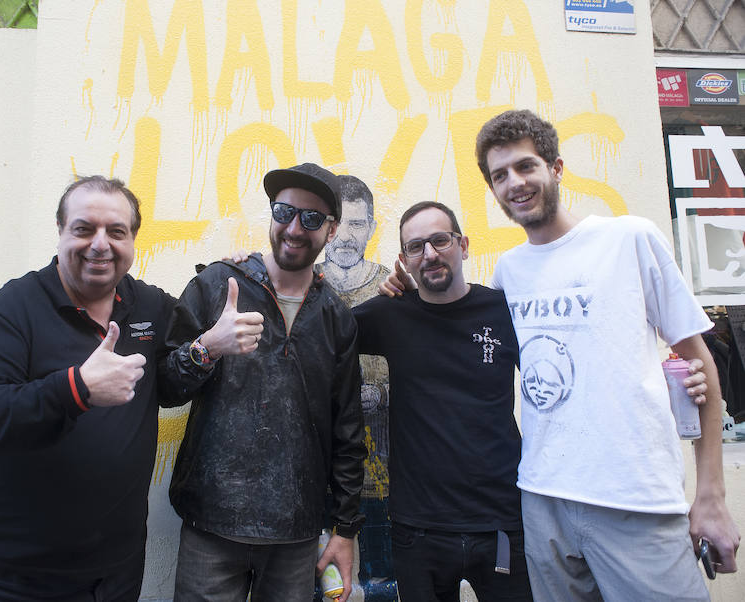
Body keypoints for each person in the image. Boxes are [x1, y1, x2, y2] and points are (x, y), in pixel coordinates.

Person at [473, 109, 740, 600]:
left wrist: (711, 495)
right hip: (543, 500)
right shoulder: (508, 272)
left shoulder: (629, 239)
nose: (515, 182)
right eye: (500, 175)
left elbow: (699, 362)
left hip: (635, 501)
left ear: (555, 168)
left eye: (526, 166)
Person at [0, 176, 177, 601]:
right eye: (84, 229)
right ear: (61, 232)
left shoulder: (149, 306)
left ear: (132, 240)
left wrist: (239, 271)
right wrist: (75, 388)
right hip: (4, 575)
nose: (100, 244)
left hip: (110, 575)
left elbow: (189, 354)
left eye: (116, 231)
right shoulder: (14, 308)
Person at [160, 163, 366, 601]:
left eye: (311, 218)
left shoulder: (336, 317)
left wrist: (345, 529)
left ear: (330, 231)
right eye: (284, 211)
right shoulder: (218, 283)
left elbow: (348, 430)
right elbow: (165, 387)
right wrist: (206, 349)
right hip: (210, 524)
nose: (294, 227)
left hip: (296, 535)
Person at [354, 201, 533, 601]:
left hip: (502, 523)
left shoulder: (503, 311)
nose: (430, 253)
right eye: (416, 247)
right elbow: (321, 332)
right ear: (404, 260)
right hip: (417, 529)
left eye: (439, 240)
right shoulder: (389, 315)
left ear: (463, 245)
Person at [318, 175, 395, 596]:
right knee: (322, 586)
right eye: (338, 224)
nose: (346, 237)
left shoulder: (395, 289)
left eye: (358, 225)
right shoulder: (301, 286)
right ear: (326, 226)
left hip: (381, 470)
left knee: (382, 582)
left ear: (372, 228)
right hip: (314, 472)